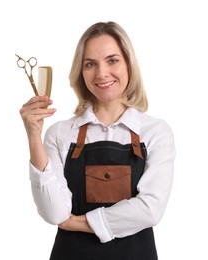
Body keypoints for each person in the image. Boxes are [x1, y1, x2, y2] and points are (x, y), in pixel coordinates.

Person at [20, 21, 175, 260]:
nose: (101, 73)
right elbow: (55, 213)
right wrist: (33, 135)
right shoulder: (60, 134)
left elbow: (150, 211)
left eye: (112, 60)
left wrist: (79, 223)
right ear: (81, 73)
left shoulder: (155, 132)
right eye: (90, 64)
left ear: (129, 65)